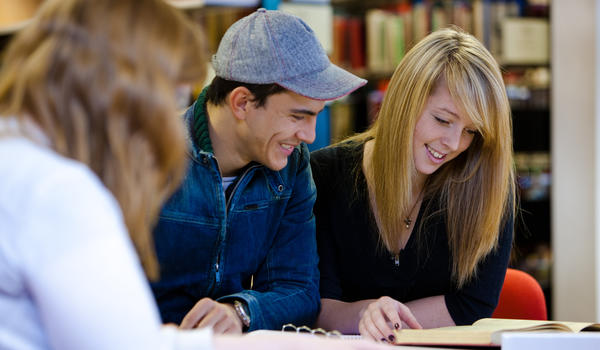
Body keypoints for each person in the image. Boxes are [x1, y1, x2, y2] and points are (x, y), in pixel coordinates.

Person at [0, 1, 390, 350]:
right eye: (167, 96)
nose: (168, 119)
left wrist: (240, 311)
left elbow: (299, 289)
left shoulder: (28, 161)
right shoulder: (59, 187)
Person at [150, 8, 366, 334]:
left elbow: (298, 288)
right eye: (297, 116)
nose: (310, 136)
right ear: (242, 103)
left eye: (317, 116)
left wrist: (239, 312)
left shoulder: (292, 166)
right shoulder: (148, 155)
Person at [310, 27, 516, 342]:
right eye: (443, 120)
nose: (453, 143)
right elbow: (317, 305)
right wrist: (367, 314)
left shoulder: (487, 184)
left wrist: (386, 320)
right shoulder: (325, 174)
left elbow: (473, 303)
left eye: (472, 131)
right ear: (405, 101)